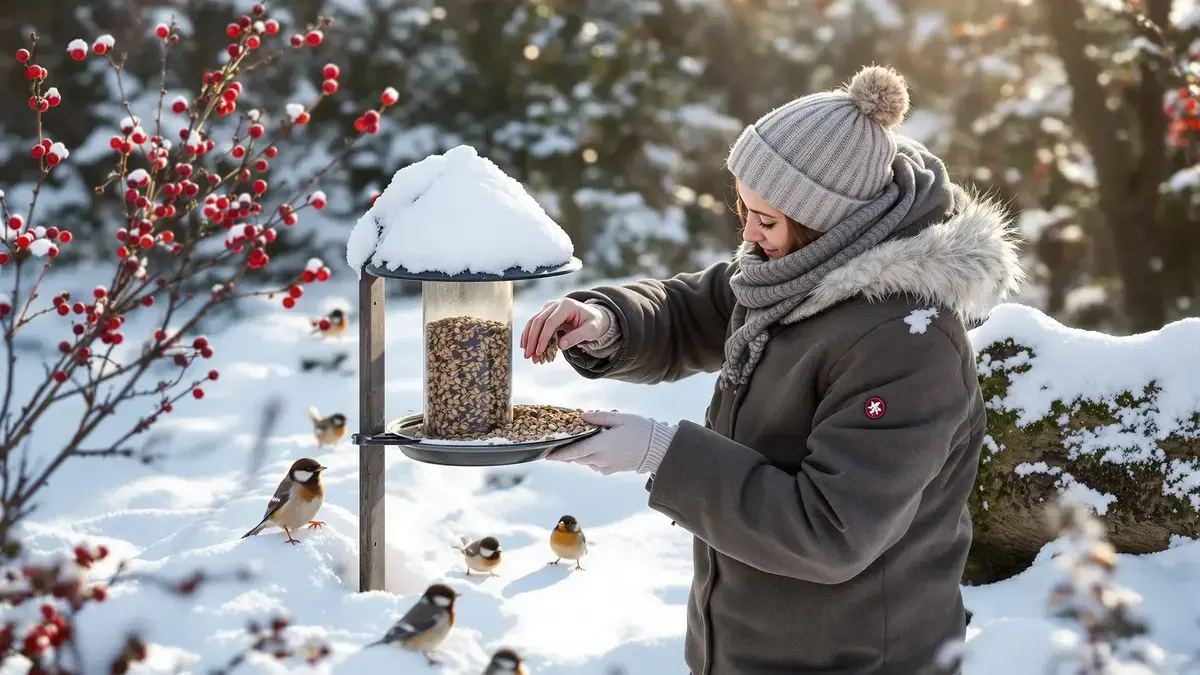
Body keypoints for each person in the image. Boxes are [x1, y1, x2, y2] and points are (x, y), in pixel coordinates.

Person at [519, 64, 1025, 675]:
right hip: (749, 647)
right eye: (744, 209)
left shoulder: (906, 343)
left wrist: (660, 453)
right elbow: (705, 306)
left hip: (854, 659)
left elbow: (830, 530)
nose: (751, 238)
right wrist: (611, 321)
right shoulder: (794, 269)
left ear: (832, 223)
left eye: (768, 219)